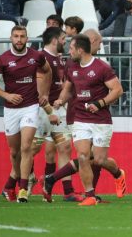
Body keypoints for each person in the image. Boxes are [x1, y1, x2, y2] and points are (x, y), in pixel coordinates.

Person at [40, 29, 127, 203]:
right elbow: (68, 89)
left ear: (80, 50)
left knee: (100, 160)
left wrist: (100, 103)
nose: (68, 50)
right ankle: (90, 196)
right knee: (83, 156)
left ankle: (118, 173)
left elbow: (118, 90)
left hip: (101, 120)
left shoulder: (102, 67)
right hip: (79, 117)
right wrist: (59, 100)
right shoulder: (71, 66)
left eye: (71, 48)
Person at [0, 25, 52, 202]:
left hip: (30, 107)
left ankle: (23, 188)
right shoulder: (3, 59)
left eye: (22, 36)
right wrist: (6, 95)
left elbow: (47, 71)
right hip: (10, 110)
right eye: (16, 36)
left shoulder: (36, 56)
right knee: (15, 151)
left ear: (27, 38)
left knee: (26, 147)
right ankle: (10, 186)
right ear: (11, 38)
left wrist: (45, 93)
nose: (19, 39)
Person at [31, 27, 84, 202]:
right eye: (63, 39)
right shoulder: (41, 58)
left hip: (57, 109)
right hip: (41, 110)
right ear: (54, 40)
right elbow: (38, 91)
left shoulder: (57, 59)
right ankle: (17, 183)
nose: (65, 42)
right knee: (30, 150)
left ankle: (67, 192)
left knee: (65, 148)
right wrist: (49, 109)